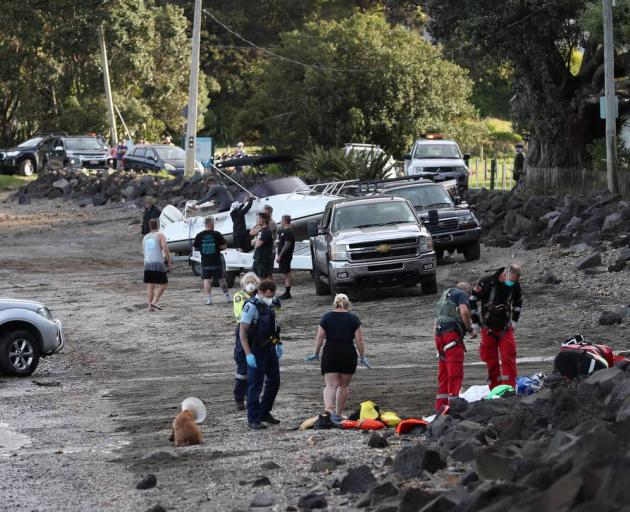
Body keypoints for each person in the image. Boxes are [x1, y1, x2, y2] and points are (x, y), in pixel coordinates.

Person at [305, 294, 371, 424]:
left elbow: (319, 338)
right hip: (348, 352)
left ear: (335, 303)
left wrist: (316, 353)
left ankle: (328, 412)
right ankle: (339, 414)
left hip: (331, 352)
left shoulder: (326, 317)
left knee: (330, 384)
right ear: (347, 304)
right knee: (343, 385)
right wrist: (362, 356)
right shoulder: (353, 318)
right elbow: (359, 340)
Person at [469, 264, 523, 390]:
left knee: (508, 358)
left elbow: (518, 302)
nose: (512, 283)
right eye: (511, 280)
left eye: (514, 282)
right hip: (488, 329)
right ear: (505, 274)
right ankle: (495, 389)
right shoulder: (487, 282)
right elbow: (472, 299)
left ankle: (510, 389)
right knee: (491, 362)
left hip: (505, 328)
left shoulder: (515, 285)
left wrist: (514, 321)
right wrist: (475, 322)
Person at [239, 279, 283, 429]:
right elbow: (243, 332)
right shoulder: (251, 307)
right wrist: (248, 354)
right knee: (255, 385)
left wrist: (279, 344)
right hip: (255, 350)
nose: (270, 298)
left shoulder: (271, 304)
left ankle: (264, 412)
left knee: (275, 381)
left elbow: (274, 327)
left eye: (272, 296)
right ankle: (253, 418)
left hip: (269, 347)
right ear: (260, 292)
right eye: (268, 296)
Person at [433, 282, 474, 411]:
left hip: (439, 337)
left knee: (444, 374)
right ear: (467, 291)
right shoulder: (462, 294)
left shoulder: (445, 295)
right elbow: (465, 312)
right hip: (451, 337)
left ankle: (440, 406)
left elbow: (436, 320)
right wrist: (470, 329)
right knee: (455, 372)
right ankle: (453, 406)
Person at [232, 272, 260, 411]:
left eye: (253, 282)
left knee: (256, 369)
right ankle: (239, 398)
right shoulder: (239, 296)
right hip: (244, 329)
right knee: (242, 368)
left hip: (257, 333)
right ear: (243, 284)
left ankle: (252, 397)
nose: (250, 284)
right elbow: (240, 314)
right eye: (248, 282)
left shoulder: (260, 296)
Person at [193, 217, 230, 305]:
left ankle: (209, 300)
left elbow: (195, 247)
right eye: (213, 223)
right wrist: (218, 247)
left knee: (207, 279)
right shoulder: (217, 234)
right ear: (211, 223)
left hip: (205, 261)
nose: (214, 225)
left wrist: (203, 248)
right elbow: (224, 246)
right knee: (221, 279)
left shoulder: (199, 235)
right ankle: (228, 298)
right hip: (216, 261)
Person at [142, 218, 173, 312]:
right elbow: (165, 248)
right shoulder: (160, 235)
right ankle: (154, 302)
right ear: (158, 226)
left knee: (151, 284)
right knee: (164, 284)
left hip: (147, 262)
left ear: (149, 226)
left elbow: (144, 250)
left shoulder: (145, 237)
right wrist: (169, 262)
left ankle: (150, 306)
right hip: (157, 262)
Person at [276, 215, 295, 300]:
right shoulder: (284, 231)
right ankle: (287, 291)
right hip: (283, 256)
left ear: (285, 221)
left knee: (286, 273)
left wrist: (280, 255)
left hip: (286, 256)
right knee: (285, 273)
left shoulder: (288, 231)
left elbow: (287, 245)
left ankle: (287, 292)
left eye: (282, 220)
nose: (280, 222)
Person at [252, 213, 274, 279]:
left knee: (262, 278)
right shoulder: (261, 230)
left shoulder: (266, 231)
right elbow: (253, 243)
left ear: (263, 220)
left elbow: (257, 244)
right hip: (258, 258)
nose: (257, 220)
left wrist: (255, 241)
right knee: (258, 276)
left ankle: (266, 289)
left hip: (263, 259)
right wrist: (255, 241)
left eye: (259, 218)